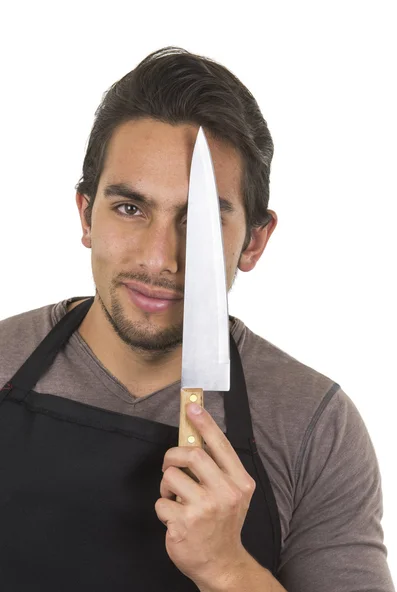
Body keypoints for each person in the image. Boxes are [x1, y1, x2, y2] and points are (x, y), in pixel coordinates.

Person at [0, 46, 394, 592]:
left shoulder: (313, 425)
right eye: (130, 208)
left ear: (254, 242)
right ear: (86, 215)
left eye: (200, 220)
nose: (161, 258)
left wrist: (227, 569)